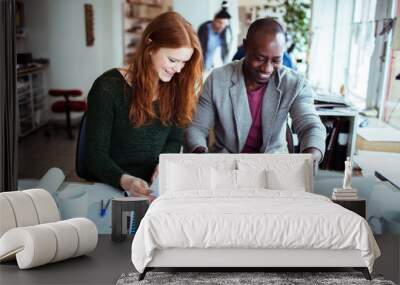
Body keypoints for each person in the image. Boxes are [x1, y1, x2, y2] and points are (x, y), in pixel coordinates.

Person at [84, 12, 203, 201]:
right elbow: (93, 155)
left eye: (184, 62)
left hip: (153, 188)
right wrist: (126, 180)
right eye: (172, 60)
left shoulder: (178, 86)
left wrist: (163, 165)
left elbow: (174, 139)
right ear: (150, 46)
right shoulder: (108, 87)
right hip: (110, 185)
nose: (179, 69)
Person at [185, 17, 326, 163]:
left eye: (276, 60)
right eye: (259, 58)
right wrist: (200, 154)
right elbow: (197, 127)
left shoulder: (295, 83)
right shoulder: (218, 79)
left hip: (274, 165)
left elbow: (310, 125)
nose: (267, 68)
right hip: (226, 164)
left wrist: (311, 156)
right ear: (245, 47)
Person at [198, 1, 232, 72]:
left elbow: (224, 50)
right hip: (199, 66)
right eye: (219, 22)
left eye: (224, 24)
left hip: (209, 67)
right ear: (214, 19)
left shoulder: (223, 33)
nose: (221, 26)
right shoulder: (204, 30)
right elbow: (199, 49)